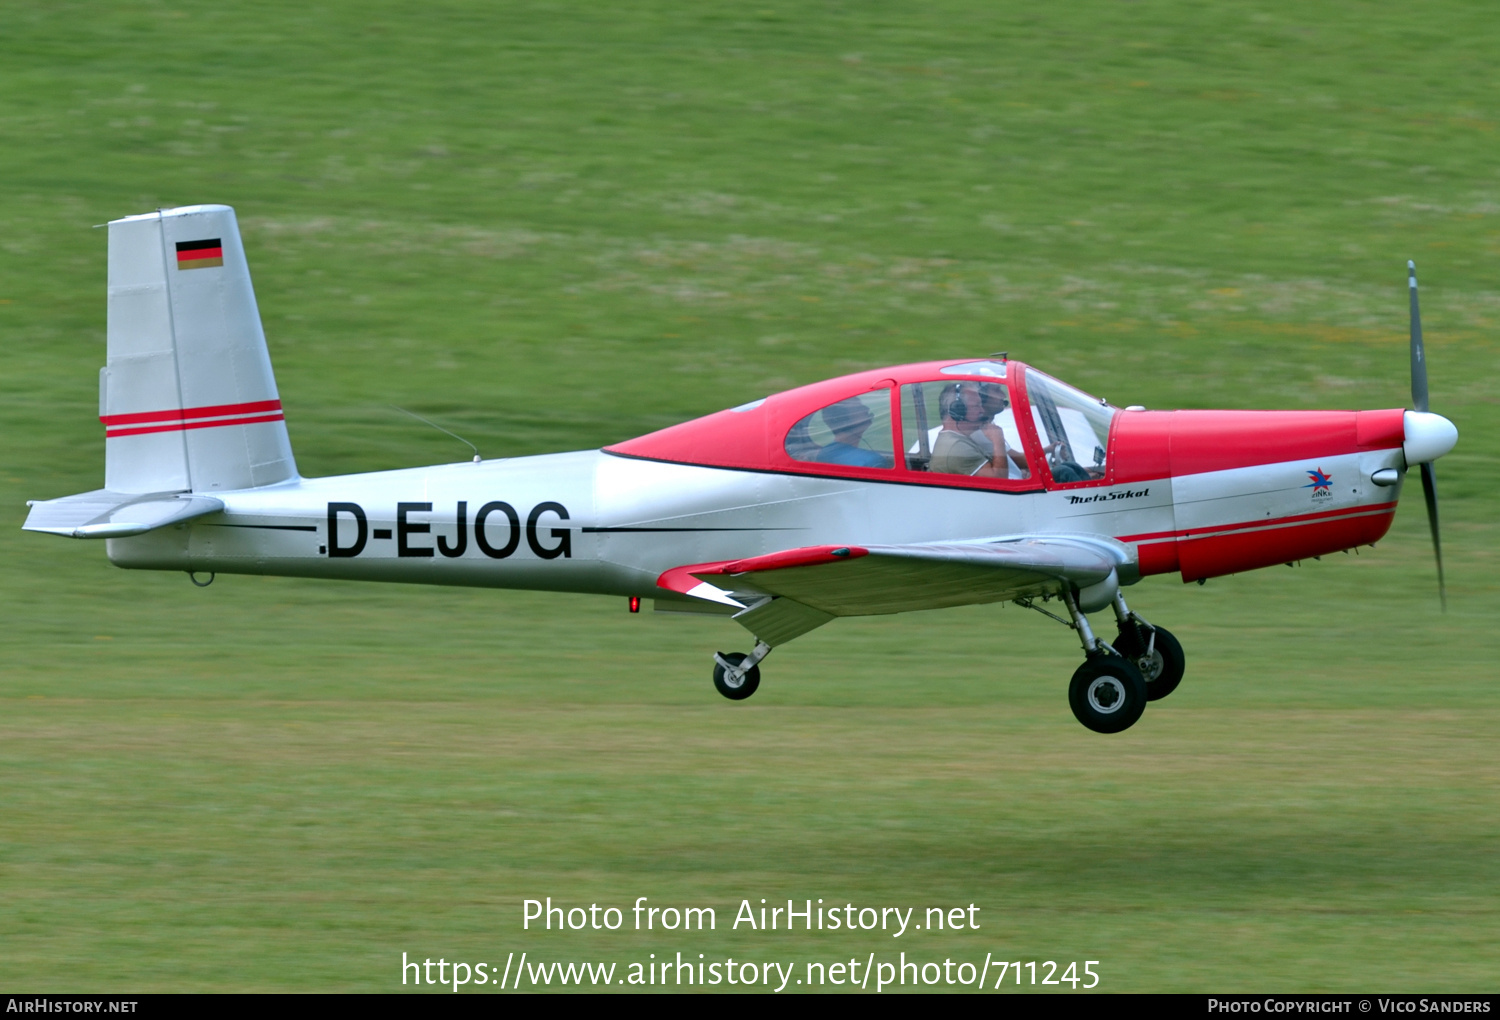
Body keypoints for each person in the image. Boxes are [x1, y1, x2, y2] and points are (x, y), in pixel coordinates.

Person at [929, 382, 1030, 478]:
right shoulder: (957, 447)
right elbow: (999, 480)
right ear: (958, 411)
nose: (982, 410)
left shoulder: (957, 439)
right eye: (976, 406)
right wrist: (998, 440)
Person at [814, 398, 891, 467]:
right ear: (846, 419)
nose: (867, 409)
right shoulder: (873, 462)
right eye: (859, 408)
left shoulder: (824, 453)